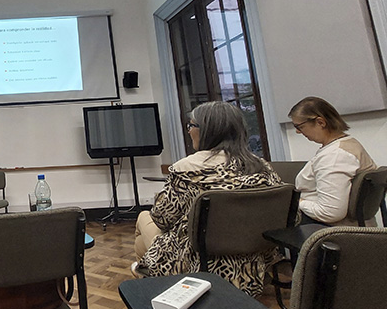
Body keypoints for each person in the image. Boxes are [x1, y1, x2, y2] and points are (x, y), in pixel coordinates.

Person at [133, 101, 280, 297]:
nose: (188, 131)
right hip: (252, 260)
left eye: (191, 125)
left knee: (143, 220)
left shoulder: (187, 168)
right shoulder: (261, 166)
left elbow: (162, 219)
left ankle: (153, 292)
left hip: (196, 260)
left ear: (208, 131)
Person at [288, 96, 377, 225]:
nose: (297, 132)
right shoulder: (346, 144)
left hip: (330, 230)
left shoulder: (335, 156)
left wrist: (297, 202)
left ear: (320, 122)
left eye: (300, 126)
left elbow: (330, 213)